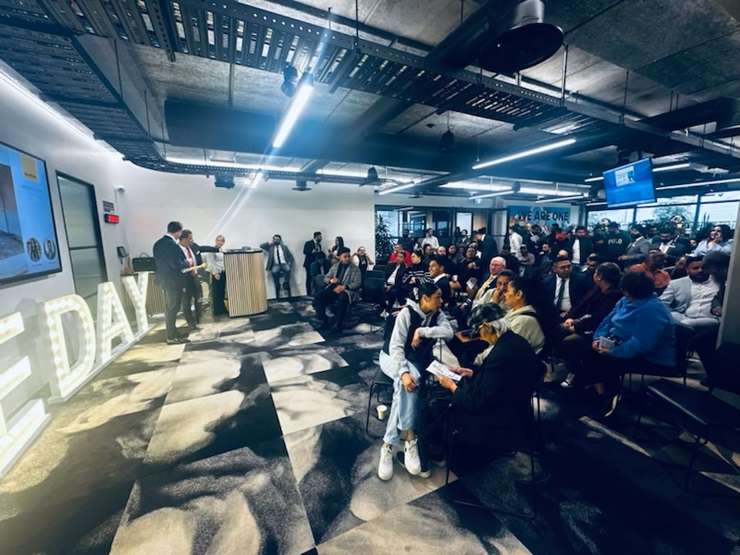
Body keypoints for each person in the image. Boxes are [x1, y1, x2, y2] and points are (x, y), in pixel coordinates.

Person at [433, 303, 543, 473]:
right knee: (455, 393)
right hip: (517, 409)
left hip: (500, 422)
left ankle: (443, 455)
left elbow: (476, 402)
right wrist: (470, 372)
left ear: (486, 327)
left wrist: (452, 386)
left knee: (441, 405)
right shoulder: (514, 341)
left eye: (478, 331)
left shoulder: (501, 354)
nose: (479, 336)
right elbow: (499, 380)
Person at [377, 282, 453, 481]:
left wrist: (422, 332)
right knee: (410, 381)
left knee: (404, 388)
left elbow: (449, 332)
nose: (441, 300)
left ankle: (388, 445)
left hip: (416, 360)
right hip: (391, 357)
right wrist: (403, 373)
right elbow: (396, 348)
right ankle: (410, 438)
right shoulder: (406, 314)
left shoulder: (438, 314)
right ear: (425, 299)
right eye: (438, 297)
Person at [582, 271, 676, 416]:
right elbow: (607, 321)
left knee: (603, 359)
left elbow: (641, 344)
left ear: (628, 291)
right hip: (619, 343)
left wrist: (613, 351)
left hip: (650, 356)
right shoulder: (625, 300)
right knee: (588, 349)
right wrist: (599, 338)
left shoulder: (652, 310)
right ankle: (601, 393)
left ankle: (609, 398)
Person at [559, 262, 623, 388]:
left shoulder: (615, 295)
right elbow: (581, 305)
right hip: (585, 323)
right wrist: (570, 318)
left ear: (599, 276)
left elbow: (600, 318)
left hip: (600, 332)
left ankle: (577, 374)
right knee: (559, 327)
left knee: (571, 341)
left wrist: (576, 325)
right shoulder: (597, 288)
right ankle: (571, 366)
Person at [153, 221, 193, 344]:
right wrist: (188, 262)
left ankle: (174, 333)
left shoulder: (158, 244)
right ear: (179, 231)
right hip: (174, 282)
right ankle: (171, 337)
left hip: (165, 281)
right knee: (173, 309)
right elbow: (175, 265)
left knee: (171, 308)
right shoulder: (172, 245)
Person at [659, 255, 720, 330]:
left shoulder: (719, 282)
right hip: (684, 316)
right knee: (673, 315)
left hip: (710, 318)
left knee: (686, 324)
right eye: (695, 268)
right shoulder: (676, 283)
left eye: (703, 268)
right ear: (687, 270)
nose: (700, 270)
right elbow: (662, 303)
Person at [313, 247, 362, 333]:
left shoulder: (355, 268)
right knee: (319, 297)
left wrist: (344, 287)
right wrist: (330, 280)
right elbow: (326, 277)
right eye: (345, 256)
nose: (347, 258)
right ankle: (325, 322)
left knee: (342, 297)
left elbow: (357, 283)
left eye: (348, 256)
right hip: (334, 288)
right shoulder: (335, 266)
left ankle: (338, 324)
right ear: (339, 257)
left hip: (348, 291)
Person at [501, 276, 546, 353]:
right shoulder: (512, 312)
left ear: (518, 294)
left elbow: (505, 350)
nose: (504, 294)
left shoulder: (523, 321)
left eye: (507, 291)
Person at [543, 255, 591, 319]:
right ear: (554, 269)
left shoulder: (581, 280)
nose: (567, 269)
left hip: (574, 315)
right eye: (563, 267)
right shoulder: (547, 282)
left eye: (569, 266)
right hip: (552, 316)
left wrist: (570, 314)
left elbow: (584, 302)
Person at [178, 230, 207, 330]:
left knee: (199, 297)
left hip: (195, 277)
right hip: (184, 280)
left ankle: (198, 318)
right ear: (184, 239)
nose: (192, 240)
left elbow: (201, 251)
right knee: (186, 301)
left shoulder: (193, 246)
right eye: (190, 238)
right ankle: (190, 322)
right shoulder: (177, 250)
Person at [260, 234, 294, 299]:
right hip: (276, 265)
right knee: (274, 272)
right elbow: (261, 246)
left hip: (284, 263)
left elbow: (291, 257)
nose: (276, 240)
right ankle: (277, 285)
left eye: (278, 239)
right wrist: (270, 243)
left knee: (288, 269)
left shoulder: (284, 247)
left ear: (280, 240)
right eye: (275, 239)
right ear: (273, 240)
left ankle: (286, 283)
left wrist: (289, 263)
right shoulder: (271, 247)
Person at [203, 234, 227, 317]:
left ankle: (222, 308)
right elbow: (210, 263)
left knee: (222, 291)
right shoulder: (211, 250)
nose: (221, 242)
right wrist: (215, 273)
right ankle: (217, 311)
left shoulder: (221, 250)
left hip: (223, 272)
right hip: (217, 273)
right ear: (216, 241)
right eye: (219, 240)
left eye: (222, 241)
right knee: (216, 292)